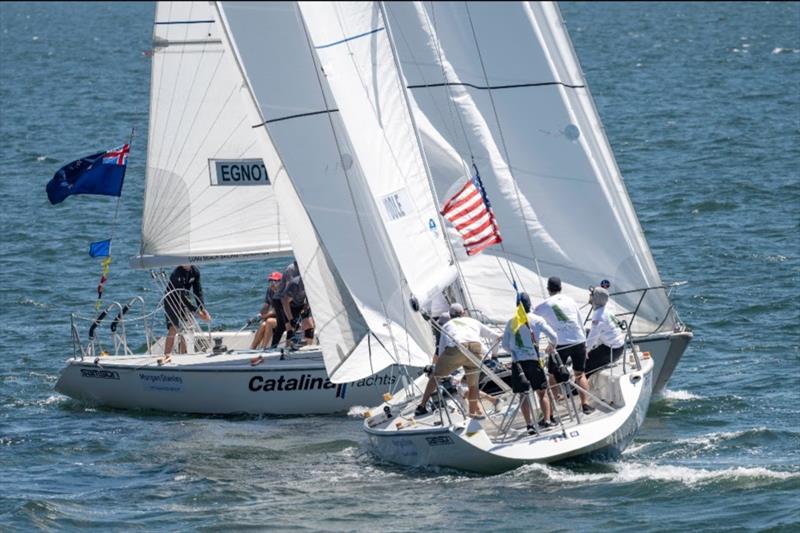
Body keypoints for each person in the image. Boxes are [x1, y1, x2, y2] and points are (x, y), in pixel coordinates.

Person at [415, 303, 500, 418]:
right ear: (463, 313)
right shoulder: (472, 321)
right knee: (473, 384)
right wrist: (494, 356)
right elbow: (496, 337)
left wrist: (440, 367)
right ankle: (472, 413)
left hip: (457, 347)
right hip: (475, 347)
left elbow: (442, 352)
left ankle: (422, 406)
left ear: (450, 315)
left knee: (435, 376)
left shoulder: (447, 325)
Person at [533, 276, 595, 415]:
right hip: (579, 340)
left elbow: (531, 321)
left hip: (561, 343)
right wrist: (584, 345)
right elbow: (580, 322)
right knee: (580, 374)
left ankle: (552, 408)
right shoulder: (571, 301)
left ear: (548, 289)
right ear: (561, 288)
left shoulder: (544, 305)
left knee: (552, 375)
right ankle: (585, 405)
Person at [502, 292, 559, 434]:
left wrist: (515, 351)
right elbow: (554, 336)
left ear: (517, 306)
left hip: (518, 363)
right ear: (530, 304)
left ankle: (529, 426)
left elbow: (505, 345)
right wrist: (552, 346)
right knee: (542, 393)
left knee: (523, 395)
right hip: (534, 360)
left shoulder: (511, 322)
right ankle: (546, 421)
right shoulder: (537, 319)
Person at [163, 264, 211, 355]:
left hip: (185, 299)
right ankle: (166, 355)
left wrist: (202, 308)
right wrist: (197, 312)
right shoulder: (176, 273)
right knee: (174, 327)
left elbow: (198, 291)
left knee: (187, 329)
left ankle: (183, 355)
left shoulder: (195, 271)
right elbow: (181, 296)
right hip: (172, 301)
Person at [584, 287, 626, 375]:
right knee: (586, 332)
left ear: (596, 298)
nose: (589, 296)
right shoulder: (605, 310)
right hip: (618, 347)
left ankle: (578, 388)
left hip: (612, 350)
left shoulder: (598, 315)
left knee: (584, 364)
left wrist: (584, 352)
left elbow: (593, 337)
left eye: (591, 295)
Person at [280, 261, 315, 346]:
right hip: (290, 306)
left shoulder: (311, 282)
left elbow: (311, 297)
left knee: (310, 326)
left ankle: (308, 347)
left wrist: (306, 306)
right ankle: (287, 348)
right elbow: (285, 302)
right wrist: (291, 319)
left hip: (301, 304)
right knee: (291, 329)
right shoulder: (295, 284)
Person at [250, 271, 285, 350]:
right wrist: (258, 315)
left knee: (269, 321)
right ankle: (252, 348)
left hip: (285, 320)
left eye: (275, 281)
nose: (272, 283)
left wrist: (263, 316)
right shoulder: (270, 290)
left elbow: (277, 311)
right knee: (263, 325)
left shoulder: (283, 292)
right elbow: (266, 305)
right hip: (276, 318)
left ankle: (264, 348)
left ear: (281, 282)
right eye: (270, 281)